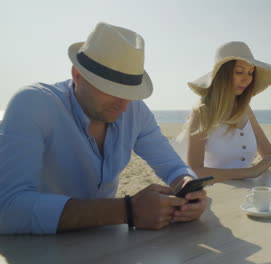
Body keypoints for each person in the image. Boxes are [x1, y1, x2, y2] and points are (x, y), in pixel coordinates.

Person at [0, 22, 207, 234]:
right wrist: (126, 210)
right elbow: (7, 208)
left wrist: (189, 189)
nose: (125, 105)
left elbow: (173, 167)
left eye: (131, 92)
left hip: (107, 246)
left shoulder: (135, 109)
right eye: (112, 90)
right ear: (77, 75)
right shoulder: (33, 104)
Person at [182, 41, 271, 183]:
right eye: (239, 72)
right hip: (217, 195)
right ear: (222, 75)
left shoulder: (245, 108)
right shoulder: (201, 112)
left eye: (250, 72)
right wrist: (252, 172)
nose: (246, 78)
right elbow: (196, 171)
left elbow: (269, 152)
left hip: (249, 194)